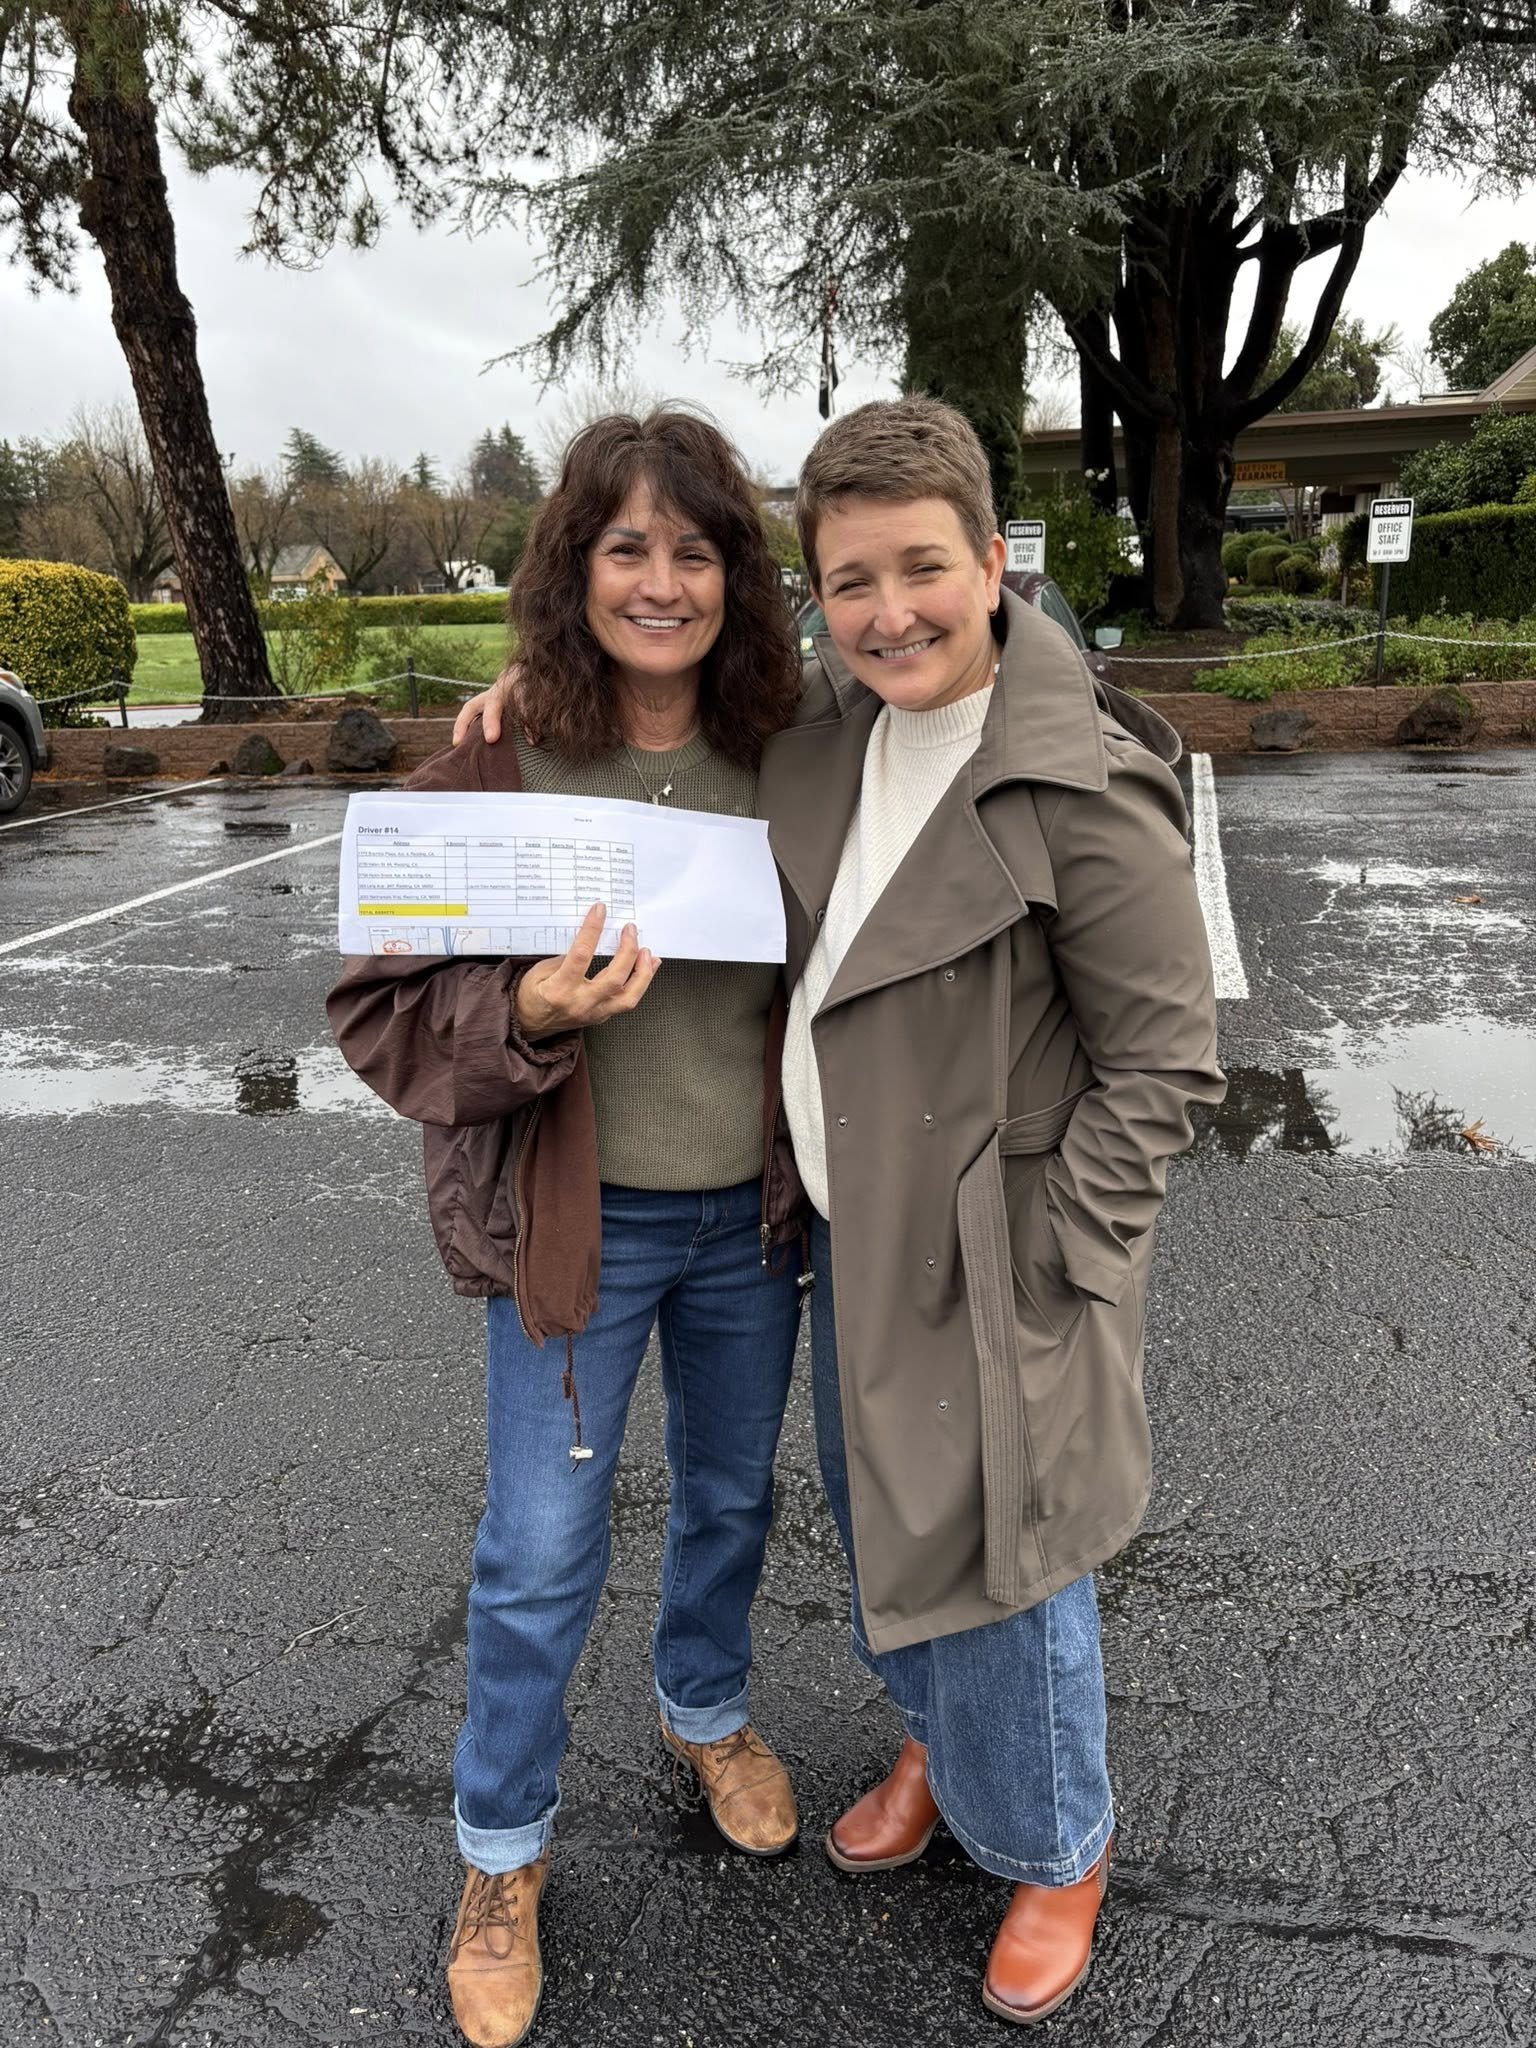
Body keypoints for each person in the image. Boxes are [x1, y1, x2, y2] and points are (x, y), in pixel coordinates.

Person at [328, 408, 805, 2048]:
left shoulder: (796, 741)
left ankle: (705, 1712)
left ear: (738, 574)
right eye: (625, 548)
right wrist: (527, 1006)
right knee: (537, 1556)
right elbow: (377, 1003)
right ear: (572, 567)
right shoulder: (505, 750)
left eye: (693, 549)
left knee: (733, 1499)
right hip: (573, 1229)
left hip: (753, 1225)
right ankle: (500, 1853)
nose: (661, 581)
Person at [759, 395, 1226, 2022]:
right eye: (851, 579)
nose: (890, 611)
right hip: (845, 1228)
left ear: (993, 561)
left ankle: (1053, 1841)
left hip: (995, 1251)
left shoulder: (1080, 781)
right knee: (883, 1506)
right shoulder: (836, 734)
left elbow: (1166, 1065)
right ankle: (943, 1753)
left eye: (922, 568)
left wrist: (1060, 1259)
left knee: (1015, 1560)